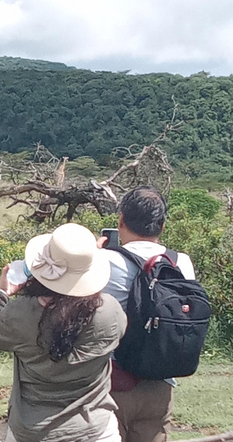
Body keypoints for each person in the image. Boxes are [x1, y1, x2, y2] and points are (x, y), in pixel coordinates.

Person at [0, 223, 127, 442]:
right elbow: (90, 313)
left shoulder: (21, 312)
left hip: (32, 432)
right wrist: (82, 265)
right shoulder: (111, 311)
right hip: (95, 431)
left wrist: (0, 294)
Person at [99, 186, 195, 442]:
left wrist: (92, 253)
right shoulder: (180, 263)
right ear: (162, 226)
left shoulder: (104, 261)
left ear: (120, 220)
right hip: (161, 380)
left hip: (112, 379)